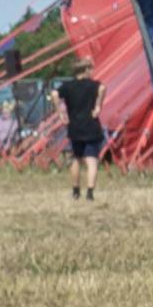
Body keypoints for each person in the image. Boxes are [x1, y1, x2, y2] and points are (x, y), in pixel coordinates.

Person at [56, 62, 106, 203]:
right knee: (91, 160)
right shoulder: (92, 85)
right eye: (91, 69)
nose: (92, 72)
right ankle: (90, 193)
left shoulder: (68, 86)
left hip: (75, 127)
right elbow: (103, 88)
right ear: (86, 70)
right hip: (91, 126)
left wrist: (60, 112)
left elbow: (54, 93)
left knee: (76, 159)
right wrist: (98, 106)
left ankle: (76, 191)